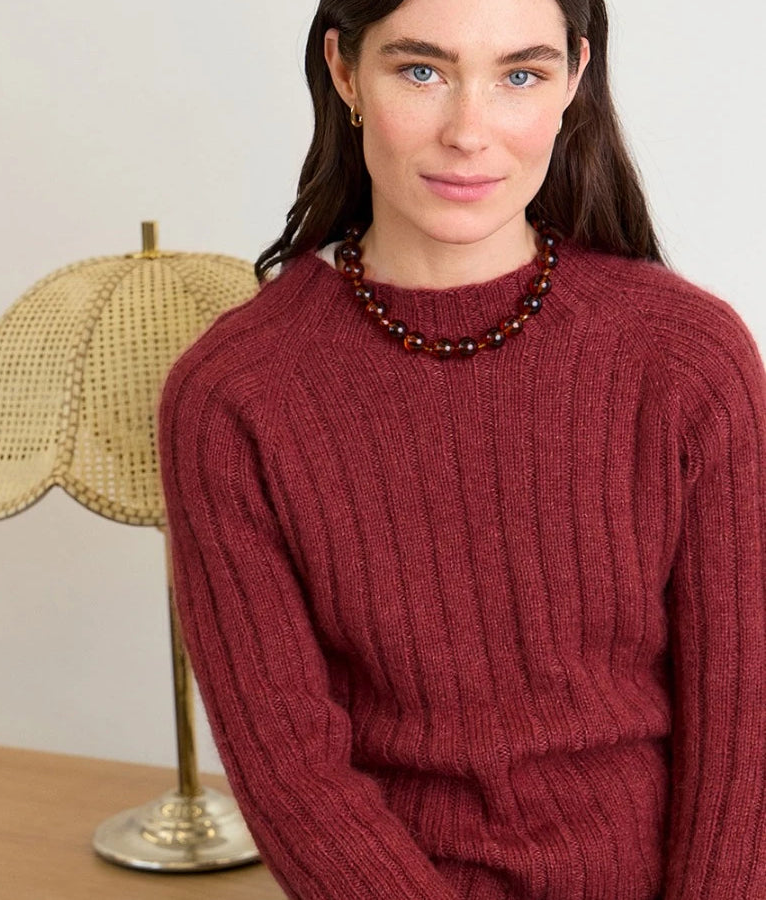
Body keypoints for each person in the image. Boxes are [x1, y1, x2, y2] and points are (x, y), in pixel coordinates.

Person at [158, 0, 766, 896]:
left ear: (574, 79)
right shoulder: (232, 395)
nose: (469, 132)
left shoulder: (686, 358)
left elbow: (744, 729)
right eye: (422, 71)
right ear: (344, 71)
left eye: (520, 74)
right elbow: (292, 775)